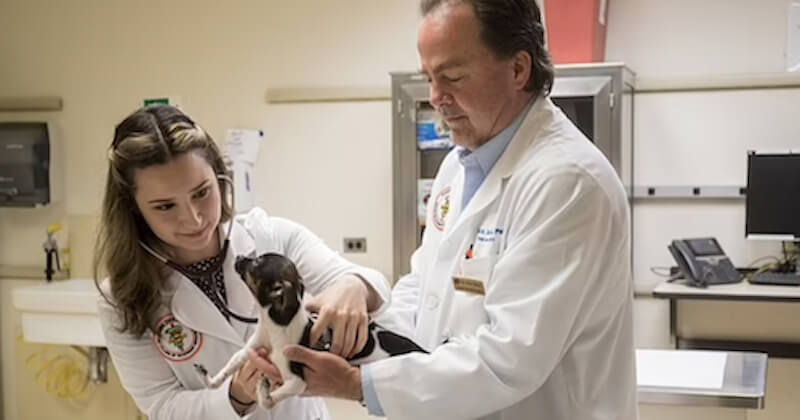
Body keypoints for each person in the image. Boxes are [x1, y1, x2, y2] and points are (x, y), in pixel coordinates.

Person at [263, 1, 638, 419]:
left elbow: (508, 359)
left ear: (518, 69)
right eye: (428, 78)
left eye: (453, 77)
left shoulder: (567, 182)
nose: (436, 98)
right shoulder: (459, 166)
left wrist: (357, 385)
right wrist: (351, 335)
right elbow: (425, 291)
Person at [94, 105, 390, 420]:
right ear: (133, 210)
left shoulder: (272, 237)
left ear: (220, 179)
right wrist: (236, 395)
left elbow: (370, 283)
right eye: (165, 206)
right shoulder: (121, 298)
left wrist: (353, 286)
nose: (193, 218)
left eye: (202, 192)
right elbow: (162, 406)